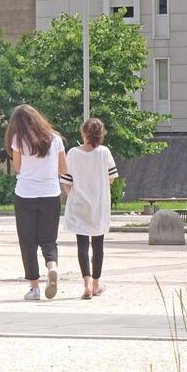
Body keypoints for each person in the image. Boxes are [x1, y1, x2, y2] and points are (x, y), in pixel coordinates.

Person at [6, 104, 67, 301]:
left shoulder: (18, 140)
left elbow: (18, 167)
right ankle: (52, 266)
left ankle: (34, 288)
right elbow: (63, 168)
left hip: (25, 194)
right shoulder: (55, 139)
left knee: (28, 242)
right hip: (51, 194)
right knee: (49, 239)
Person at [60, 118, 118, 300]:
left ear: (83, 133)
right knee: (98, 244)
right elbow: (111, 178)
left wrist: (74, 196)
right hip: (99, 205)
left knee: (82, 245)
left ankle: (85, 283)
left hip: (79, 204)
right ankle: (96, 284)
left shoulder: (73, 153)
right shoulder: (104, 152)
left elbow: (66, 182)